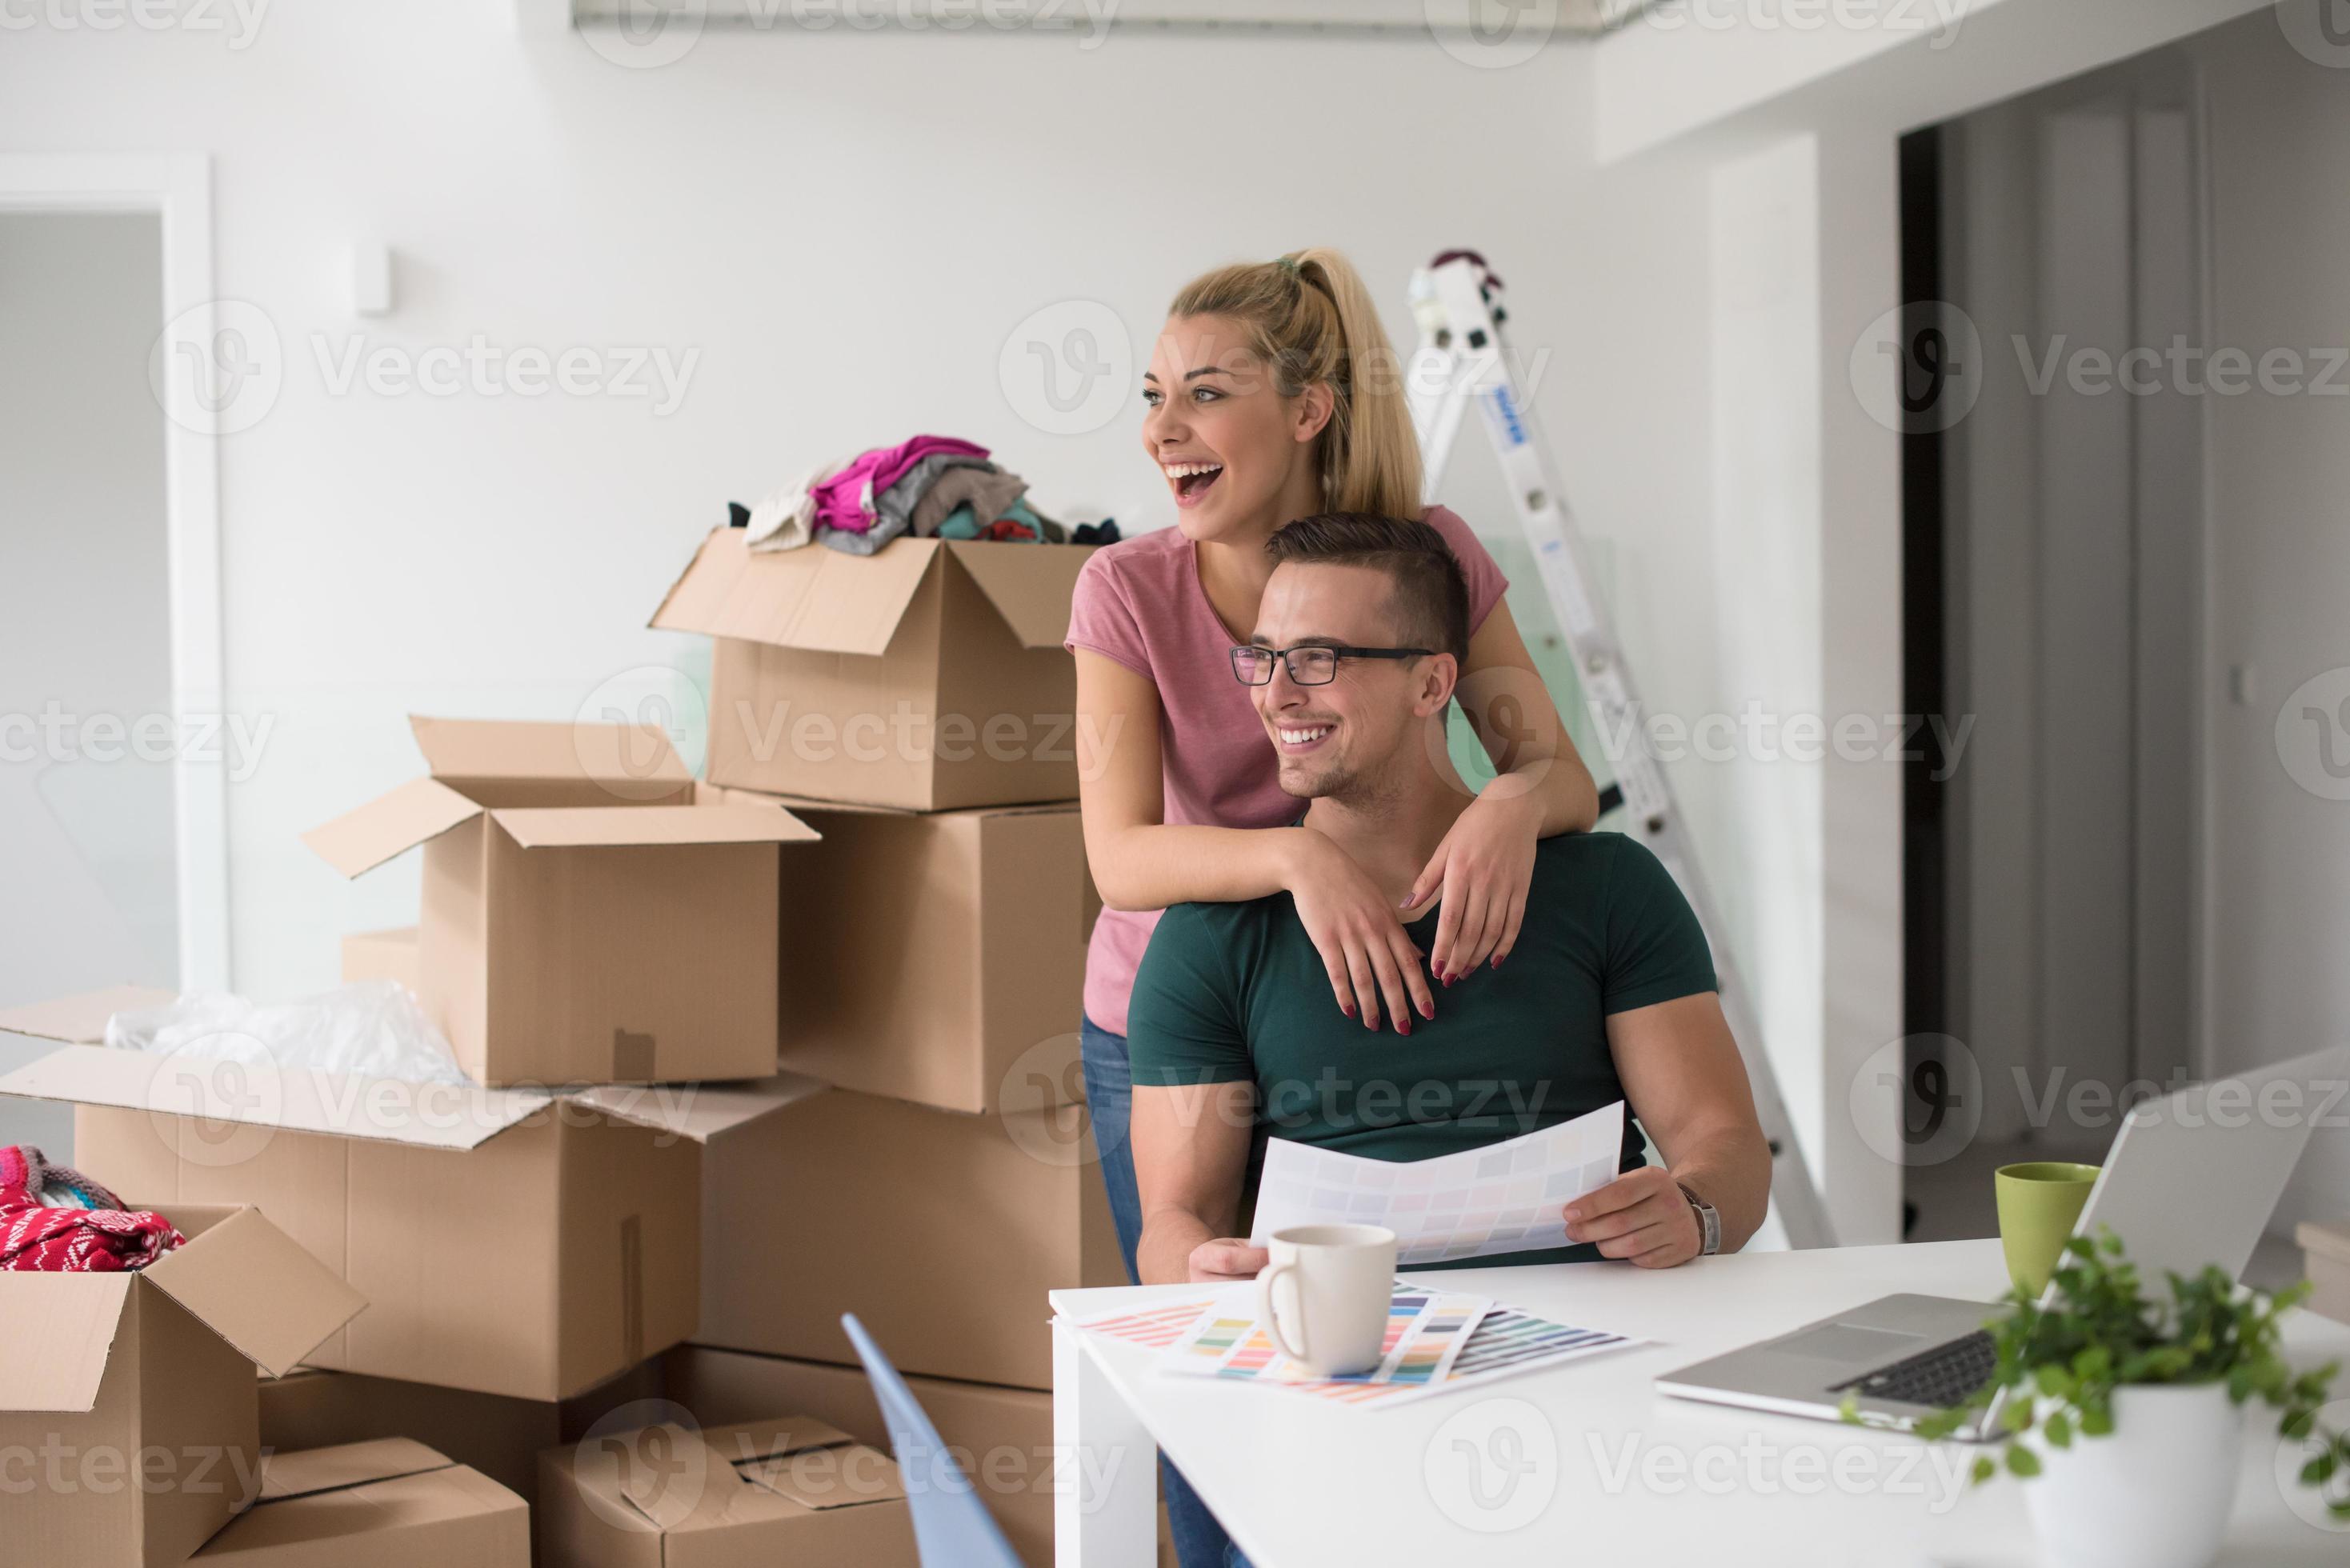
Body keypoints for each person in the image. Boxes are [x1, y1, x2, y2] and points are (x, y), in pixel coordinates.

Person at [1063, 254, 1601, 1567]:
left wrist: (1503, 802)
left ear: (1307, 411)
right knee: (1224, 1375)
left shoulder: (1429, 556)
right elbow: (1120, 857)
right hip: (1177, 1020)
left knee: (1397, 1371)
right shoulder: (1127, 591)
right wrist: (1298, 860)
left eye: (1203, 394)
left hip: (1365, 1005)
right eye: (1152, 397)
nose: (1160, 432)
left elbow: (1562, 775)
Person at [1127, 514, 1772, 1308]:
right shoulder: (1213, 939)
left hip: (1604, 1345)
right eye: (1263, 657)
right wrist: (1197, 1266)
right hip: (1340, 1356)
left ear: (1432, 684)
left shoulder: (1609, 887)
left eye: (1318, 659)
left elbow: (1729, 1150)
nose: (1275, 692)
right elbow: (1173, 1220)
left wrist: (1695, 1209)